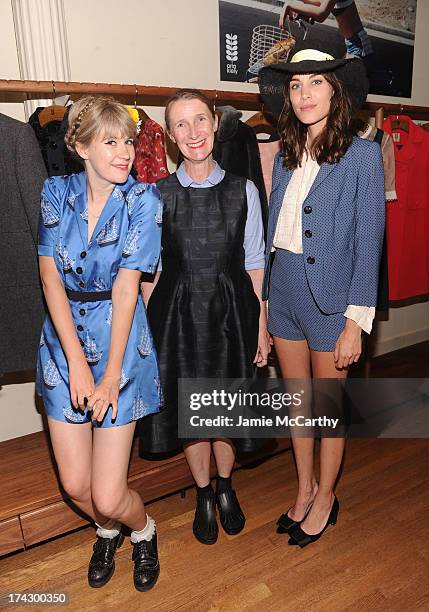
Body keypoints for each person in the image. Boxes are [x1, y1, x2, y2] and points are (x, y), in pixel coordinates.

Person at [260, 45, 385, 547]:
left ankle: (328, 495)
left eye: (316, 82)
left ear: (336, 90)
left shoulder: (363, 156)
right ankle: (305, 485)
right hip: (285, 290)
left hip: (333, 299)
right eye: (296, 84)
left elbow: (369, 240)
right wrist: (267, 300)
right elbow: (275, 234)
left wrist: (356, 320)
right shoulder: (284, 157)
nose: (304, 93)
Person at [36, 96, 162, 591]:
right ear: (80, 146)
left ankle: (142, 531)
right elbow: (49, 279)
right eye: (110, 142)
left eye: (128, 141)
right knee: (75, 485)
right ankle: (107, 532)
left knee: (109, 495)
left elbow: (129, 287)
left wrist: (109, 374)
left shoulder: (144, 201)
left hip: (121, 342)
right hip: (62, 342)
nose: (125, 152)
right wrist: (75, 364)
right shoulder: (54, 192)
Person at [140, 89, 270, 545]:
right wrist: (145, 336)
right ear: (171, 136)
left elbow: (255, 262)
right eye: (181, 124)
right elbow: (149, 273)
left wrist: (261, 325)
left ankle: (227, 486)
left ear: (215, 123)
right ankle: (203, 494)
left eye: (200, 120)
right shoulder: (155, 196)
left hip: (232, 312)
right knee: (192, 415)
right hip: (176, 316)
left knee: (226, 411)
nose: (193, 132)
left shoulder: (244, 190)